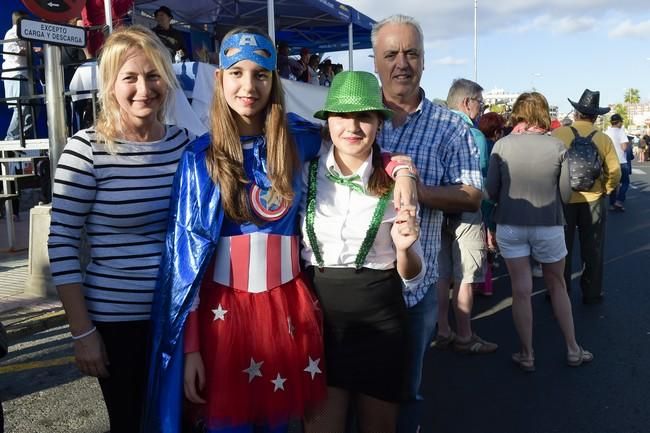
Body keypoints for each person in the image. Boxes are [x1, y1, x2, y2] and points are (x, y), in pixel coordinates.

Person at [143, 27, 417, 433]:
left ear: (275, 80)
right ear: (220, 79)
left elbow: (358, 143)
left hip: (288, 308)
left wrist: (404, 170)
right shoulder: (199, 158)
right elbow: (185, 266)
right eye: (237, 72)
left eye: (261, 74)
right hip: (224, 314)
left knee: (284, 423)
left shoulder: (299, 139)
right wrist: (192, 348)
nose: (248, 86)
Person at [47, 25, 193, 433]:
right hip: (117, 323)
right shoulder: (85, 150)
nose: (143, 89)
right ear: (110, 85)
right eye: (129, 77)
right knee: (131, 424)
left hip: (181, 319)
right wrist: (82, 332)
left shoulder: (186, 144)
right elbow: (61, 245)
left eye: (153, 75)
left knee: (185, 423)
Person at [371, 14, 483, 433]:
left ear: (423, 61)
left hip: (414, 287)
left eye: (411, 53)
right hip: (353, 284)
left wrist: (413, 189)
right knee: (348, 385)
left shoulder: (450, 125)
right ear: (376, 63)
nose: (402, 62)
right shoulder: (354, 118)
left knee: (407, 387)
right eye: (391, 54)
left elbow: (472, 194)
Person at [301, 71, 425, 433]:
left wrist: (404, 250)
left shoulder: (394, 182)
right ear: (328, 122)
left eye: (364, 117)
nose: (352, 126)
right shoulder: (303, 172)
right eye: (341, 116)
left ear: (378, 124)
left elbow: (412, 273)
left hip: (380, 324)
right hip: (318, 324)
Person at [487, 92, 594, 371]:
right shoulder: (557, 147)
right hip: (548, 223)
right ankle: (572, 349)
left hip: (510, 224)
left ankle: (527, 353)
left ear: (519, 114)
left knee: (521, 290)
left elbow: (491, 190)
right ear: (544, 114)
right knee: (557, 284)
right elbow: (566, 193)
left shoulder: (502, 145)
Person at [434, 78, 497, 350]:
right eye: (480, 103)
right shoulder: (474, 135)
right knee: (466, 276)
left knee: (441, 274)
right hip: (466, 213)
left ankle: (442, 328)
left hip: (437, 209)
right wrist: (487, 222)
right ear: (466, 102)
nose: (481, 109)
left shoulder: (435, 128)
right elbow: (479, 181)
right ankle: (464, 335)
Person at [552, 89, 621, 305]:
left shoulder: (559, 135)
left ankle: (558, 291)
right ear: (595, 117)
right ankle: (592, 292)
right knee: (592, 248)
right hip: (593, 199)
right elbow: (615, 171)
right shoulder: (603, 139)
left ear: (576, 113)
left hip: (564, 199)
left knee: (561, 249)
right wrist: (606, 189)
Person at [2, 10, 33, 141]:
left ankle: (22, 134)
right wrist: (31, 50)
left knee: (32, 108)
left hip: (24, 74)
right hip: (16, 73)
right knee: (21, 107)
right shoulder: (12, 33)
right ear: (21, 21)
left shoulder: (22, 34)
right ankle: (11, 138)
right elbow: (16, 52)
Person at [605, 113, 630, 212]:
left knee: (613, 184)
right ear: (619, 122)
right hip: (621, 161)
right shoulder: (620, 132)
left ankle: (612, 204)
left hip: (610, 162)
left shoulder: (606, 132)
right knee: (625, 182)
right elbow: (624, 148)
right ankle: (619, 201)